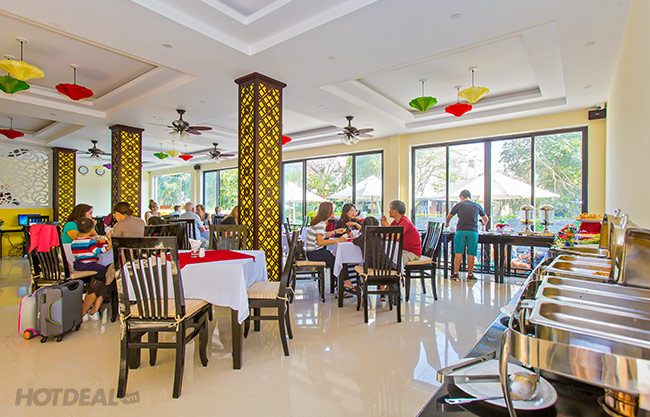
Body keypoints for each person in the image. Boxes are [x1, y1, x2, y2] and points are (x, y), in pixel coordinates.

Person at [304, 201, 350, 291]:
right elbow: (320, 242)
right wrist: (338, 240)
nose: (334, 211)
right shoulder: (321, 224)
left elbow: (322, 235)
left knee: (337, 260)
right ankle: (345, 285)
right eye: (332, 209)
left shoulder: (319, 222)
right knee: (340, 262)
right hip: (315, 253)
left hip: (313, 253)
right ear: (328, 211)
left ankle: (343, 285)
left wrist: (335, 231)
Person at [72, 218, 111, 321]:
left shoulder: (74, 241)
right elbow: (96, 251)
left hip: (78, 265)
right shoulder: (90, 241)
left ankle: (92, 308)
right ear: (91, 229)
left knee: (104, 273)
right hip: (89, 264)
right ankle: (91, 309)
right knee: (104, 271)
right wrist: (108, 246)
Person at [445, 190, 489, 281]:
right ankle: (470, 275)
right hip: (473, 231)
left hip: (461, 231)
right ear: (470, 197)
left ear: (461, 197)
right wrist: (483, 224)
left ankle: (455, 274)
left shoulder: (459, 205)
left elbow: (449, 217)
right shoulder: (476, 205)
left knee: (458, 253)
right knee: (471, 253)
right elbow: (486, 219)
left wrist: (447, 224)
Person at [381, 200, 422, 267]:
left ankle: (397, 273)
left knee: (393, 261)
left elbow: (394, 237)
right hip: (402, 250)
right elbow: (388, 234)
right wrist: (384, 225)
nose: (389, 211)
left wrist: (387, 225)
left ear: (395, 211)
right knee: (384, 257)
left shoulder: (405, 222)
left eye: (390, 209)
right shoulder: (395, 222)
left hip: (411, 252)